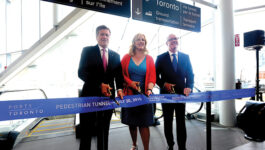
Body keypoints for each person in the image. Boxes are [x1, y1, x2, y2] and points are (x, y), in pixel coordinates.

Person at [78, 25, 124, 150]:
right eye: (102, 34)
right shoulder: (87, 51)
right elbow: (81, 72)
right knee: (86, 130)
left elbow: (119, 76)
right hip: (89, 96)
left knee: (104, 130)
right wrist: (99, 85)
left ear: (110, 37)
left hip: (108, 98)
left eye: (107, 35)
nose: (104, 37)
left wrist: (119, 89)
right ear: (97, 36)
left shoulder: (116, 55)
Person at [155, 34, 194, 150]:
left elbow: (190, 75)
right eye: (170, 40)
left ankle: (182, 147)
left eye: (175, 39)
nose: (173, 41)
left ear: (178, 41)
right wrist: (163, 84)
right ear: (166, 43)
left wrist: (189, 87)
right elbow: (155, 76)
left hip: (181, 95)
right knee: (168, 121)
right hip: (166, 96)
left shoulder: (185, 57)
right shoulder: (160, 58)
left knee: (181, 121)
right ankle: (170, 145)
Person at [121, 33, 156, 150]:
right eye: (138, 39)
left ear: (145, 43)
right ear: (134, 42)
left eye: (143, 40)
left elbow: (152, 78)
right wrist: (130, 83)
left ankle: (146, 148)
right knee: (132, 123)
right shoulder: (126, 57)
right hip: (129, 95)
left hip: (144, 96)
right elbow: (121, 75)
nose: (141, 41)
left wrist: (150, 89)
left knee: (144, 124)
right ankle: (134, 144)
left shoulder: (149, 59)